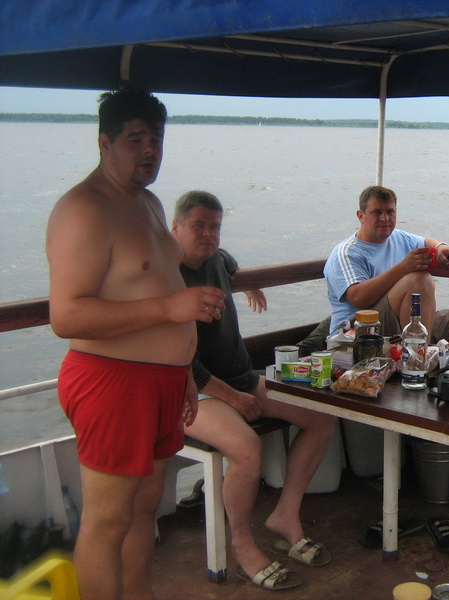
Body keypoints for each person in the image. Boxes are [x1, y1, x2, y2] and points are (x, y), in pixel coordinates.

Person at [46, 88, 227, 600]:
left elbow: (153, 281)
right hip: (112, 383)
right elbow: (66, 315)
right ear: (104, 143)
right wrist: (170, 310)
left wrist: (183, 372)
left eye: (157, 139)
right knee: (107, 522)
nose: (150, 149)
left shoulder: (148, 203)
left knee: (146, 509)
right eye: (135, 139)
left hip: (163, 384)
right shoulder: (84, 209)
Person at [172, 190, 338, 590]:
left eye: (215, 226)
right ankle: (243, 545)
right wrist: (233, 398)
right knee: (247, 449)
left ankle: (285, 516)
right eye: (198, 226)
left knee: (321, 417)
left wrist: (247, 284)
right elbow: (183, 363)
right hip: (191, 393)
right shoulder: (167, 278)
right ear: (174, 227)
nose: (208, 234)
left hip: (240, 377)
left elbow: (229, 263)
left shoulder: (217, 259)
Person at [324, 185, 449, 350]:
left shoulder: (399, 237)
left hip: (406, 321)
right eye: (377, 212)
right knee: (419, 279)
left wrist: (441, 247)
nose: (385, 218)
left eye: (390, 212)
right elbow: (358, 298)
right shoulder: (347, 252)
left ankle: (446, 364)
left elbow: (426, 242)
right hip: (360, 331)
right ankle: (421, 357)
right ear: (361, 215)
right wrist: (403, 267)